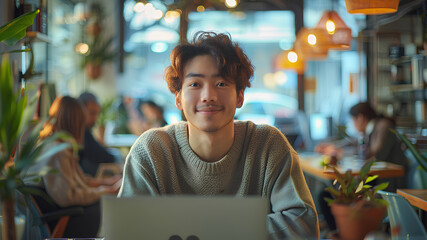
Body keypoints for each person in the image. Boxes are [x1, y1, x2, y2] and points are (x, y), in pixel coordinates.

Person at [118, 32, 319, 239]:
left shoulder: (268, 145)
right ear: (178, 98)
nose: (208, 96)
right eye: (195, 84)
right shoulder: (151, 151)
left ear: (240, 96)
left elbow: (303, 226)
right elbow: (128, 231)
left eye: (221, 84)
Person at [24, 96, 121, 237]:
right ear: (74, 123)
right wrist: (105, 191)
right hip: (60, 221)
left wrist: (105, 186)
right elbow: (69, 196)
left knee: (104, 203)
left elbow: (78, 181)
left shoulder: (54, 145)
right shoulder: (58, 152)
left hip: (54, 216)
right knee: (106, 207)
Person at [316, 102, 409, 232]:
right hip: (373, 179)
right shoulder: (371, 129)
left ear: (360, 118)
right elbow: (354, 144)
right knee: (326, 194)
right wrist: (334, 147)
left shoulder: (383, 126)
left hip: (387, 182)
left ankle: (345, 231)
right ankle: (342, 231)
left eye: (352, 120)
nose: (352, 125)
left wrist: (342, 151)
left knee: (327, 196)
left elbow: (375, 153)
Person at [78, 92, 116, 177]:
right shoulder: (81, 133)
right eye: (91, 113)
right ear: (80, 111)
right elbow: (104, 157)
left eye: (96, 114)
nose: (95, 118)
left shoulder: (85, 132)